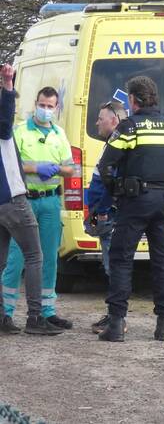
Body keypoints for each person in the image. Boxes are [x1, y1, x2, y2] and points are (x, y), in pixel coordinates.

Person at [96, 76, 164, 342]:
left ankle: (116, 325)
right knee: (162, 262)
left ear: (133, 99)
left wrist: (117, 189)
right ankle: (163, 324)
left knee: (121, 259)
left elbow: (105, 166)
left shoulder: (129, 127)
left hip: (134, 200)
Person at [2, 85, 75, 330]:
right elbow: (14, 163)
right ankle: (7, 311)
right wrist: (37, 167)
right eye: (42, 105)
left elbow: (70, 168)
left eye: (50, 106)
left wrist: (54, 168)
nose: (45, 110)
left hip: (51, 200)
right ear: (36, 104)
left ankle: (47, 310)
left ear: (57, 108)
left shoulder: (59, 134)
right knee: (17, 258)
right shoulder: (20, 131)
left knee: (49, 257)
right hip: (24, 201)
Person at [84, 100, 128, 334]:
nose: (97, 122)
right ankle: (113, 314)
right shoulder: (111, 144)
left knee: (114, 266)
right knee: (110, 264)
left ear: (114, 120)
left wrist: (100, 212)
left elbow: (111, 185)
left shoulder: (118, 147)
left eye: (100, 118)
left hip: (110, 214)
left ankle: (117, 319)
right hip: (104, 212)